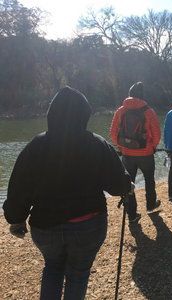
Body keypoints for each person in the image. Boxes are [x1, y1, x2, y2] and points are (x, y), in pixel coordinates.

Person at [2, 86, 132, 300]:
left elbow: (19, 187)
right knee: (78, 275)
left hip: (46, 229)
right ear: (85, 114)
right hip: (89, 227)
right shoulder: (96, 143)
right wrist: (127, 186)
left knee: (52, 268)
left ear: (51, 114)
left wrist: (15, 220)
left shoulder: (37, 144)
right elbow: (118, 185)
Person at [110, 82, 161, 223]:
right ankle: (151, 204)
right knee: (149, 180)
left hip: (127, 154)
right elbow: (156, 133)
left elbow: (113, 132)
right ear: (141, 96)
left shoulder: (120, 111)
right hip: (146, 154)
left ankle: (132, 214)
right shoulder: (149, 111)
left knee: (129, 183)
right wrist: (153, 146)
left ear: (129, 94)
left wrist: (120, 146)